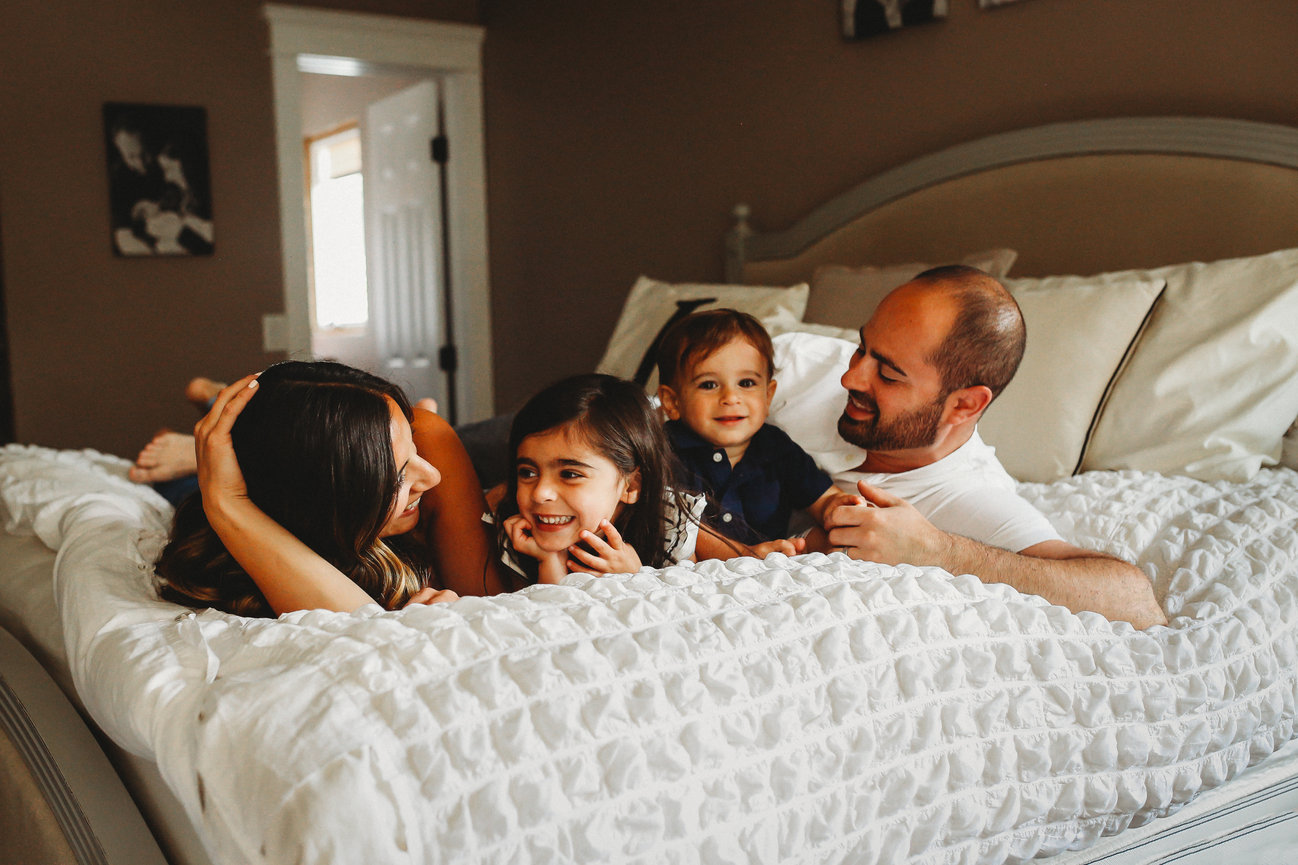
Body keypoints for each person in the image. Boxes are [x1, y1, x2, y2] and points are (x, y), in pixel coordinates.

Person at [820, 265, 1167, 629]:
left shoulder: (972, 497)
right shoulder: (805, 364)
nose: (849, 377)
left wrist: (935, 550)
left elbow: (1135, 603)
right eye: (862, 348)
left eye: (889, 375)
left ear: (964, 405)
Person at [160, 361, 502, 617]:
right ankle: (209, 420)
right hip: (196, 490)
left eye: (416, 449)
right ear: (322, 507)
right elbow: (360, 626)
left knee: (424, 424)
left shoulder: (422, 450)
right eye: (396, 476)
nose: (434, 477)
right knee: (179, 484)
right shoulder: (232, 549)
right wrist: (228, 502)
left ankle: (214, 398)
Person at [655, 309, 843, 558]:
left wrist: (837, 507)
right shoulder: (664, 450)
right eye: (709, 385)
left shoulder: (776, 448)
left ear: (768, 395)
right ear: (672, 402)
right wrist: (743, 554)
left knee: (831, 538)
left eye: (746, 383)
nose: (731, 398)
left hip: (767, 565)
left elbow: (821, 497)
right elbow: (675, 524)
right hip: (691, 565)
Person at [492, 373, 704, 587]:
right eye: (528, 472)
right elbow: (544, 617)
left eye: (569, 474)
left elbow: (685, 609)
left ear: (631, 486)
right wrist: (549, 563)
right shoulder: (518, 534)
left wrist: (637, 578)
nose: (540, 493)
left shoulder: (669, 523)